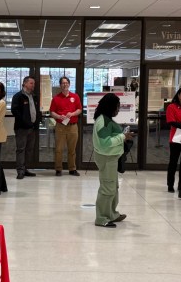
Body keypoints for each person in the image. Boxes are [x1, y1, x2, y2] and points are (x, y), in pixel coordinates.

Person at [92, 93, 135, 227]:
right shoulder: (102, 121)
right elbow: (105, 143)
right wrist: (122, 137)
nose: (118, 109)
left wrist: (122, 135)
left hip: (111, 158)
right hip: (107, 158)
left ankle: (111, 214)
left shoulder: (105, 118)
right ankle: (102, 218)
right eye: (117, 107)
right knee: (107, 188)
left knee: (113, 187)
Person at [49, 76, 82, 176]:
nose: (65, 84)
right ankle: (58, 169)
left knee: (72, 149)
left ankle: (72, 169)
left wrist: (72, 114)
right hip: (60, 126)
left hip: (73, 126)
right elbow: (52, 112)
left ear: (69, 84)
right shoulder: (56, 98)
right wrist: (59, 116)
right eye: (63, 83)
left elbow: (79, 109)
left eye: (66, 83)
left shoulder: (75, 96)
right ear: (60, 85)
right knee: (59, 149)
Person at [11, 75, 41, 179]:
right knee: (21, 149)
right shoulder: (18, 96)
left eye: (34, 83)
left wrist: (37, 122)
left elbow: (36, 110)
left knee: (29, 149)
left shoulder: (34, 96)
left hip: (32, 128)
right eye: (31, 83)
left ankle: (25, 169)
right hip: (21, 128)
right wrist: (25, 122)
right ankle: (20, 171)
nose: (33, 85)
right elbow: (15, 111)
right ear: (25, 83)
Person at [165, 86, 181, 195]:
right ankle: (170, 185)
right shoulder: (172, 106)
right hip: (175, 138)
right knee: (173, 163)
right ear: (179, 94)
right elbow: (171, 121)